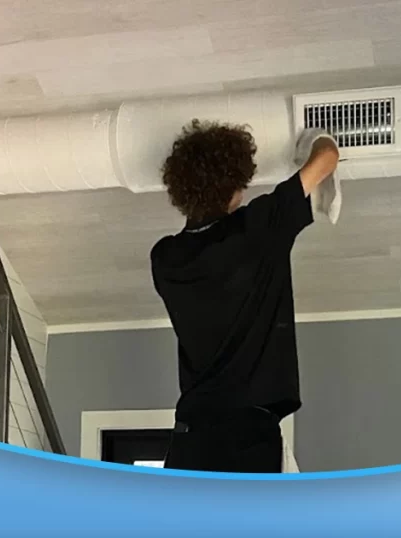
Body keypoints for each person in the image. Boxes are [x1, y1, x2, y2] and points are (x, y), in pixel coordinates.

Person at [151, 119, 339, 473]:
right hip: (243, 437)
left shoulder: (165, 259)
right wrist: (315, 136)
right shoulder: (259, 228)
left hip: (197, 435)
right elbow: (326, 156)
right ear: (233, 186)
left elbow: (327, 159)